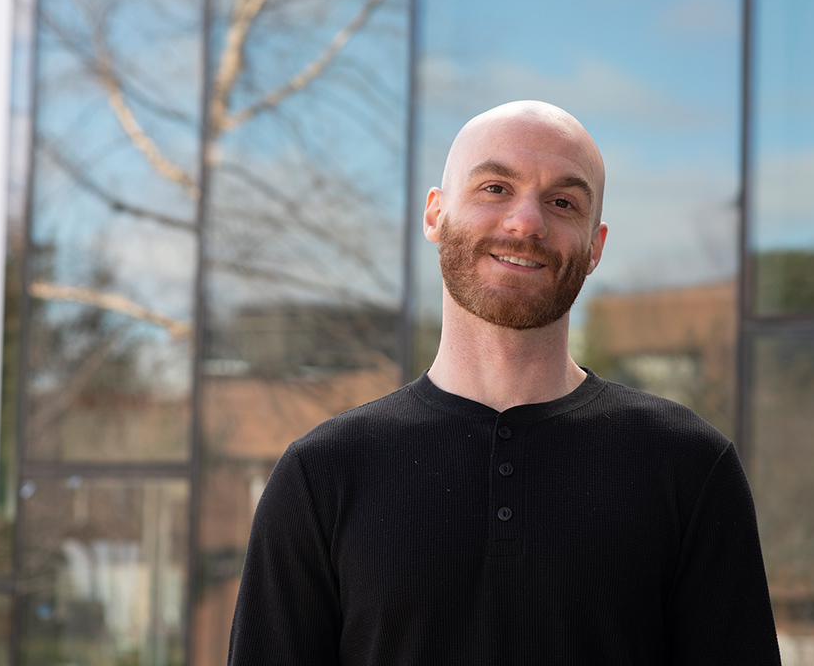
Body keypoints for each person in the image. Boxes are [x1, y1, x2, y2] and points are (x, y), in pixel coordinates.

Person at [227, 101, 781, 664]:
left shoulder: (688, 465)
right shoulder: (321, 475)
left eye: (563, 202)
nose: (526, 223)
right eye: (495, 188)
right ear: (435, 215)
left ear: (594, 247)